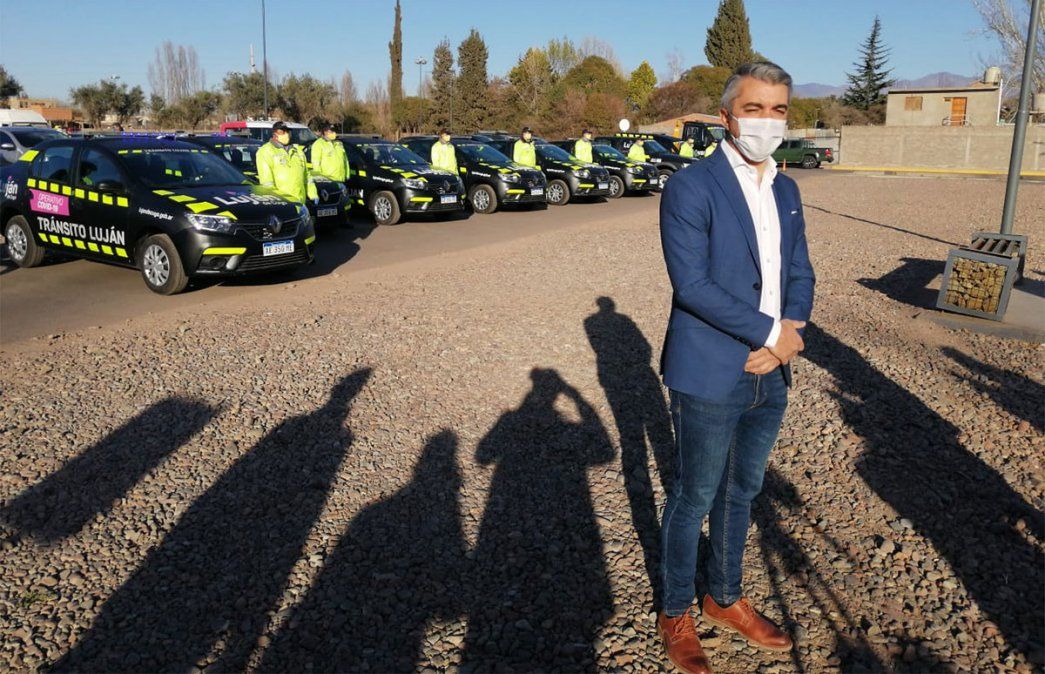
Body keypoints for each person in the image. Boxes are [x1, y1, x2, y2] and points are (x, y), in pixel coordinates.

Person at [655, 61, 815, 674]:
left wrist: (786, 338)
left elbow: (798, 271)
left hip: (771, 369)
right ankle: (675, 610)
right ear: (727, 116)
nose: (766, 121)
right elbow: (692, 285)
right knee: (694, 494)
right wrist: (771, 332)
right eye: (755, 108)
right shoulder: (691, 187)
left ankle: (724, 598)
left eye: (778, 109)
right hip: (709, 371)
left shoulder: (787, 188)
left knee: (741, 492)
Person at [255, 121, 317, 204]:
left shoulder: (297, 151)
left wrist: (313, 193)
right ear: (274, 133)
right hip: (282, 203)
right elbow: (267, 183)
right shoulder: (265, 151)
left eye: (287, 131)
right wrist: (275, 201)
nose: (286, 134)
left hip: (300, 201)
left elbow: (307, 176)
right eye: (282, 132)